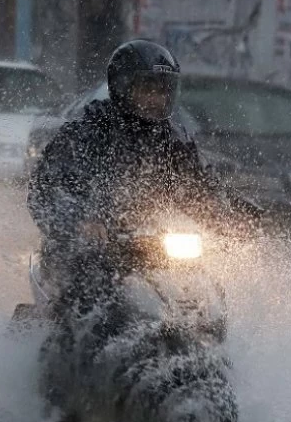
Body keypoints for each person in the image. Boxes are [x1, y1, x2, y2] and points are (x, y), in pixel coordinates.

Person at [27, 40, 229, 313]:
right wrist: (81, 219)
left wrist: (232, 217)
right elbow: (47, 188)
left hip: (150, 245)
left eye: (162, 90)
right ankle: (75, 349)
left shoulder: (172, 137)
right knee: (91, 297)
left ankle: (209, 341)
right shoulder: (86, 131)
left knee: (200, 287)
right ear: (122, 85)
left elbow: (200, 184)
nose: (156, 98)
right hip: (86, 247)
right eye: (148, 88)